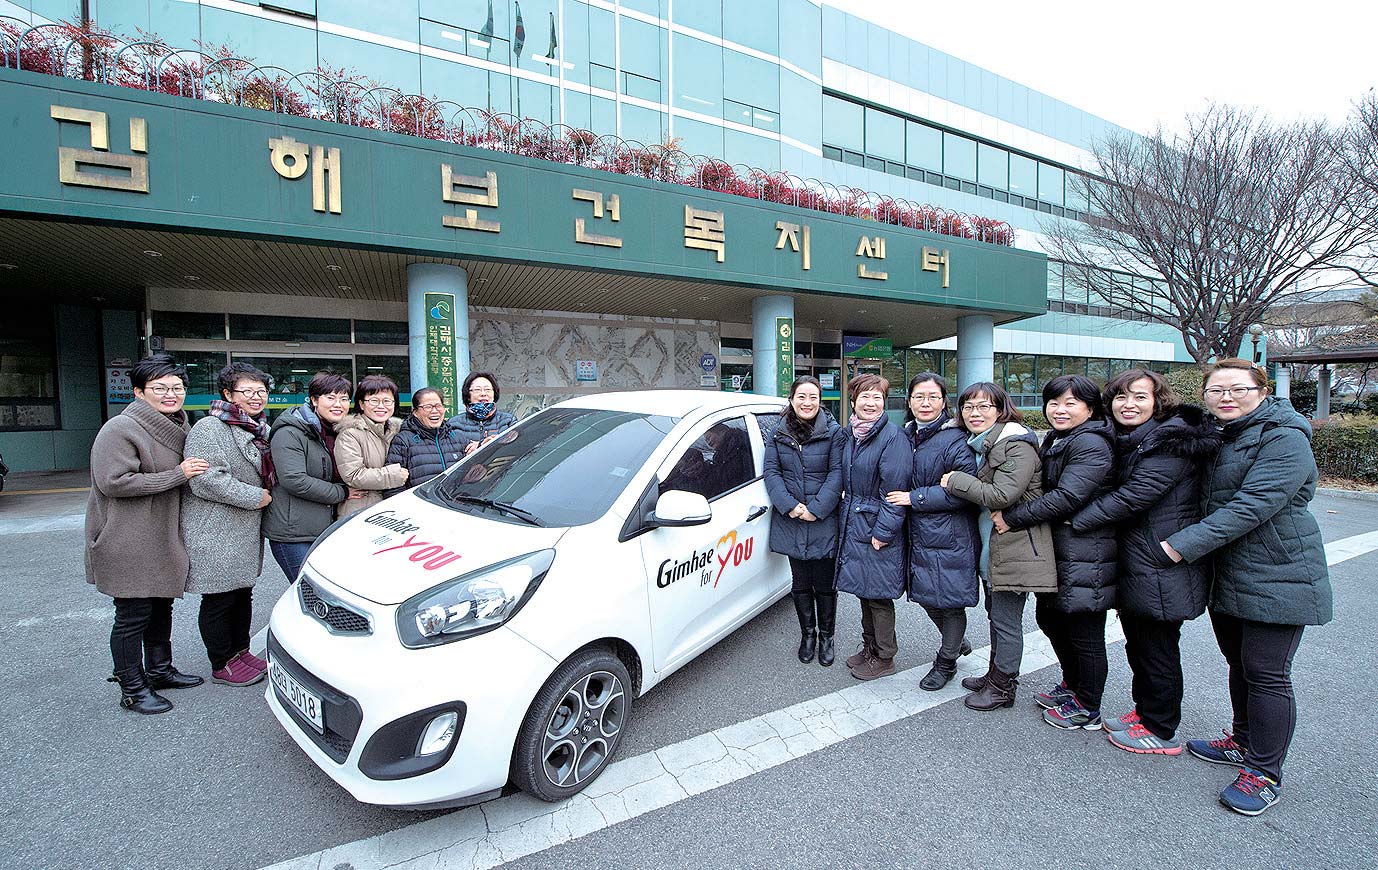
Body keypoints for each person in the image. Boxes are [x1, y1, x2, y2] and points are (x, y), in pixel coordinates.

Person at [1162, 359, 1332, 816]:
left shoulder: (1285, 437)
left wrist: (1182, 545)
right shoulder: (1223, 435)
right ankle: (1241, 740)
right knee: (1239, 662)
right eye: (1216, 390)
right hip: (1232, 570)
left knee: (1268, 673)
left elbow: (1252, 504)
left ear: (1262, 391)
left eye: (1238, 388)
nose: (1226, 397)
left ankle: (1264, 772)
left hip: (1280, 569)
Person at [1071, 369, 1221, 755]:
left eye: (1139, 397)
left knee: (1157, 646)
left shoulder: (1172, 442)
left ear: (1158, 400)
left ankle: (1160, 727)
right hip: (1141, 556)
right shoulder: (1134, 440)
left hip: (1160, 559)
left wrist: (1076, 519)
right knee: (1140, 642)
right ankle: (1146, 713)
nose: (1128, 405)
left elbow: (1135, 495)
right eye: (1120, 397)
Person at [85, 353, 208, 714]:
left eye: (177, 387)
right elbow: (113, 482)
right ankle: (132, 688)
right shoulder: (119, 429)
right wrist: (178, 475)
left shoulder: (179, 426)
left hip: (162, 534)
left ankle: (159, 670)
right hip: (128, 537)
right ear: (139, 392)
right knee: (132, 613)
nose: (171, 394)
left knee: (160, 606)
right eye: (160, 388)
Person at [997, 375, 1118, 731]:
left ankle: (1088, 704)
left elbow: (1067, 496)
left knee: (1084, 628)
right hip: (1063, 546)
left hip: (1087, 548)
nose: (1060, 410)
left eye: (1070, 403)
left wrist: (1012, 518)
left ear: (1090, 408)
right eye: (1054, 402)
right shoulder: (1059, 438)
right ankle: (1073, 684)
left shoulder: (1092, 443)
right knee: (1053, 619)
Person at [940, 382, 1057, 711]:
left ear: (1000, 409)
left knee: (1005, 620)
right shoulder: (983, 443)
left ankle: (1003, 687)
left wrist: (955, 481)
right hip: (997, 546)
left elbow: (1001, 495)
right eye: (968, 407)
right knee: (997, 616)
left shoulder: (1016, 444)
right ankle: (995, 675)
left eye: (984, 407)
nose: (975, 413)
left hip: (1015, 546)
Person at [181, 363, 276, 688]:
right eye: (246, 391)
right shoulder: (210, 428)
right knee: (219, 598)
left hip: (243, 530)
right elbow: (206, 479)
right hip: (216, 529)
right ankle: (222, 662)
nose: (255, 397)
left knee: (241, 594)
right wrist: (256, 497)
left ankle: (241, 651)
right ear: (227, 394)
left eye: (260, 391)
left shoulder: (255, 427)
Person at [884, 373, 978, 691]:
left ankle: (946, 661)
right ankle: (957, 643)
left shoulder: (956, 438)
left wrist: (915, 497)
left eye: (933, 397)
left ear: (944, 402)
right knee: (926, 596)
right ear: (908, 401)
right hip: (916, 532)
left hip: (948, 535)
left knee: (949, 601)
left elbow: (964, 489)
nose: (926, 403)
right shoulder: (903, 435)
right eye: (919, 396)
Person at [763, 376, 845, 667]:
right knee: (799, 583)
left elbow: (837, 473)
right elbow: (771, 473)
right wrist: (790, 506)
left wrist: (817, 508)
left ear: (820, 400)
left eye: (813, 397)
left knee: (824, 583)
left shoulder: (835, 433)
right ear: (792, 399)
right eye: (801, 396)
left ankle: (827, 637)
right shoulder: (778, 432)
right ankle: (807, 635)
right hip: (792, 519)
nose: (807, 403)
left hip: (823, 518)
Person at [834, 374, 911, 681]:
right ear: (853, 401)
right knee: (863, 591)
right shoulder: (852, 434)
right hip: (855, 521)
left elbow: (895, 491)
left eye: (877, 398)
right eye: (865, 397)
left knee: (878, 594)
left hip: (875, 524)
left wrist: (884, 531)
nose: (870, 403)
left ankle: (885, 656)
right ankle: (870, 647)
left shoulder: (892, 438)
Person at [264, 372, 359, 582]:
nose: (339, 404)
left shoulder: (338, 432)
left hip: (324, 529)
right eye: (330, 398)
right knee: (308, 592)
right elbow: (294, 479)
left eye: (344, 399)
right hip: (293, 533)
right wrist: (342, 492)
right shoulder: (290, 431)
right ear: (314, 400)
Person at [334, 374, 407, 517]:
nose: (381, 406)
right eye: (374, 400)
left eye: (387, 401)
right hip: (361, 512)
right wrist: (394, 475)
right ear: (361, 404)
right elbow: (353, 475)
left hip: (395, 511)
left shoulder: (400, 430)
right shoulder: (350, 434)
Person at [387, 387, 471, 491]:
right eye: (428, 407)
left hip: (455, 505)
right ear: (415, 412)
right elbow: (393, 485)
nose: (435, 411)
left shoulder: (458, 438)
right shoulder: (403, 441)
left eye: (438, 406)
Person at [448, 372, 517, 454]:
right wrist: (479, 446)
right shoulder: (453, 424)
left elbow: (516, 449)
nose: (483, 394)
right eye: (477, 390)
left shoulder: (508, 421)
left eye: (488, 389)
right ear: (468, 395)